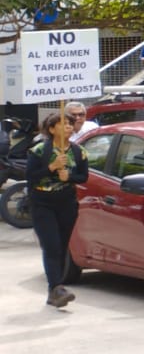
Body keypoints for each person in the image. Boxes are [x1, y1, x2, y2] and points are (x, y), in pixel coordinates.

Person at [27, 111, 87, 309]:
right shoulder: (38, 151)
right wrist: (51, 167)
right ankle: (57, 287)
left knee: (61, 246)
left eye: (70, 123)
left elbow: (83, 177)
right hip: (43, 204)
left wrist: (68, 177)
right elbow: (31, 177)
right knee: (51, 245)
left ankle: (54, 291)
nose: (68, 126)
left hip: (67, 203)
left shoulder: (79, 152)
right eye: (63, 124)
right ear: (52, 129)